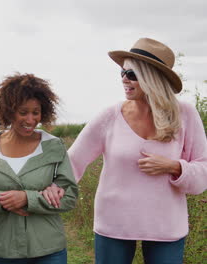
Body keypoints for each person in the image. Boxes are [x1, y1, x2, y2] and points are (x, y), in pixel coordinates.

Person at [64, 38, 207, 263]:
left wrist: (174, 166)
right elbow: (72, 162)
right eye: (122, 72)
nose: (124, 79)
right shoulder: (109, 115)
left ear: (153, 79)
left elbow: (203, 171)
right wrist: (39, 196)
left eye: (132, 74)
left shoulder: (185, 114)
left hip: (166, 225)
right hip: (113, 224)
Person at [0, 73, 78, 264]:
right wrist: (3, 201)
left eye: (36, 112)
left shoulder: (54, 146)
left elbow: (69, 197)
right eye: (23, 112)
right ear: (9, 111)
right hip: (3, 249)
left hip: (49, 249)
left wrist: (27, 198)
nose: (31, 119)